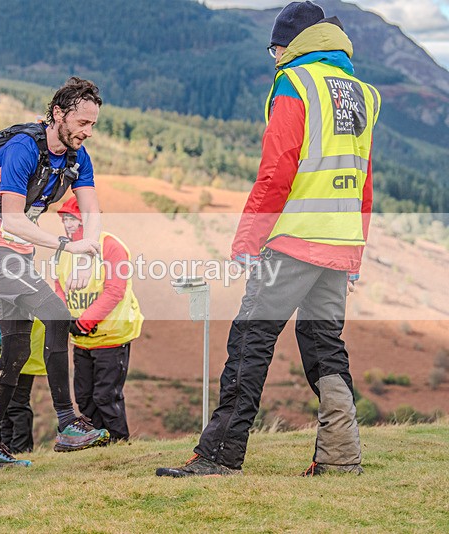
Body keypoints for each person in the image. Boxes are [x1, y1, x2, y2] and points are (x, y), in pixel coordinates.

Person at [157, 1, 380, 478]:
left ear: (290, 44)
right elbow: (364, 181)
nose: (274, 56)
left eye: (275, 47)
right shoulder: (361, 92)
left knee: (250, 340)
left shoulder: (296, 83)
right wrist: (355, 251)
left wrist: (247, 239)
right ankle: (341, 457)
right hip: (339, 243)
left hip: (294, 237)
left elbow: (278, 170)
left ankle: (220, 455)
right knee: (324, 344)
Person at [0, 77, 109, 470]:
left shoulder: (78, 157)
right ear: (58, 113)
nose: (87, 132)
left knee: (15, 352)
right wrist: (66, 246)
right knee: (58, 314)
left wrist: (85, 253)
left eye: (93, 124)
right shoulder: (23, 148)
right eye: (82, 122)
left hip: (20, 254)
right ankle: (67, 422)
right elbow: (11, 221)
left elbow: (92, 211)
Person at [54, 197, 143, 442]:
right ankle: (96, 442)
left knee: (106, 396)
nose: (67, 223)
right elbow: (59, 286)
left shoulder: (111, 246)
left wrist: (84, 322)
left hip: (111, 337)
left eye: (72, 217)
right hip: (82, 340)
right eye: (64, 217)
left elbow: (115, 290)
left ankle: (118, 443)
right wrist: (65, 318)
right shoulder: (65, 249)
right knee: (84, 397)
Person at [0, 283, 47, 453]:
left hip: (21, 357)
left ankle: (21, 450)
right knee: (2, 407)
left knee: (17, 405)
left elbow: (16, 318)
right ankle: (5, 450)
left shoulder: (21, 281)